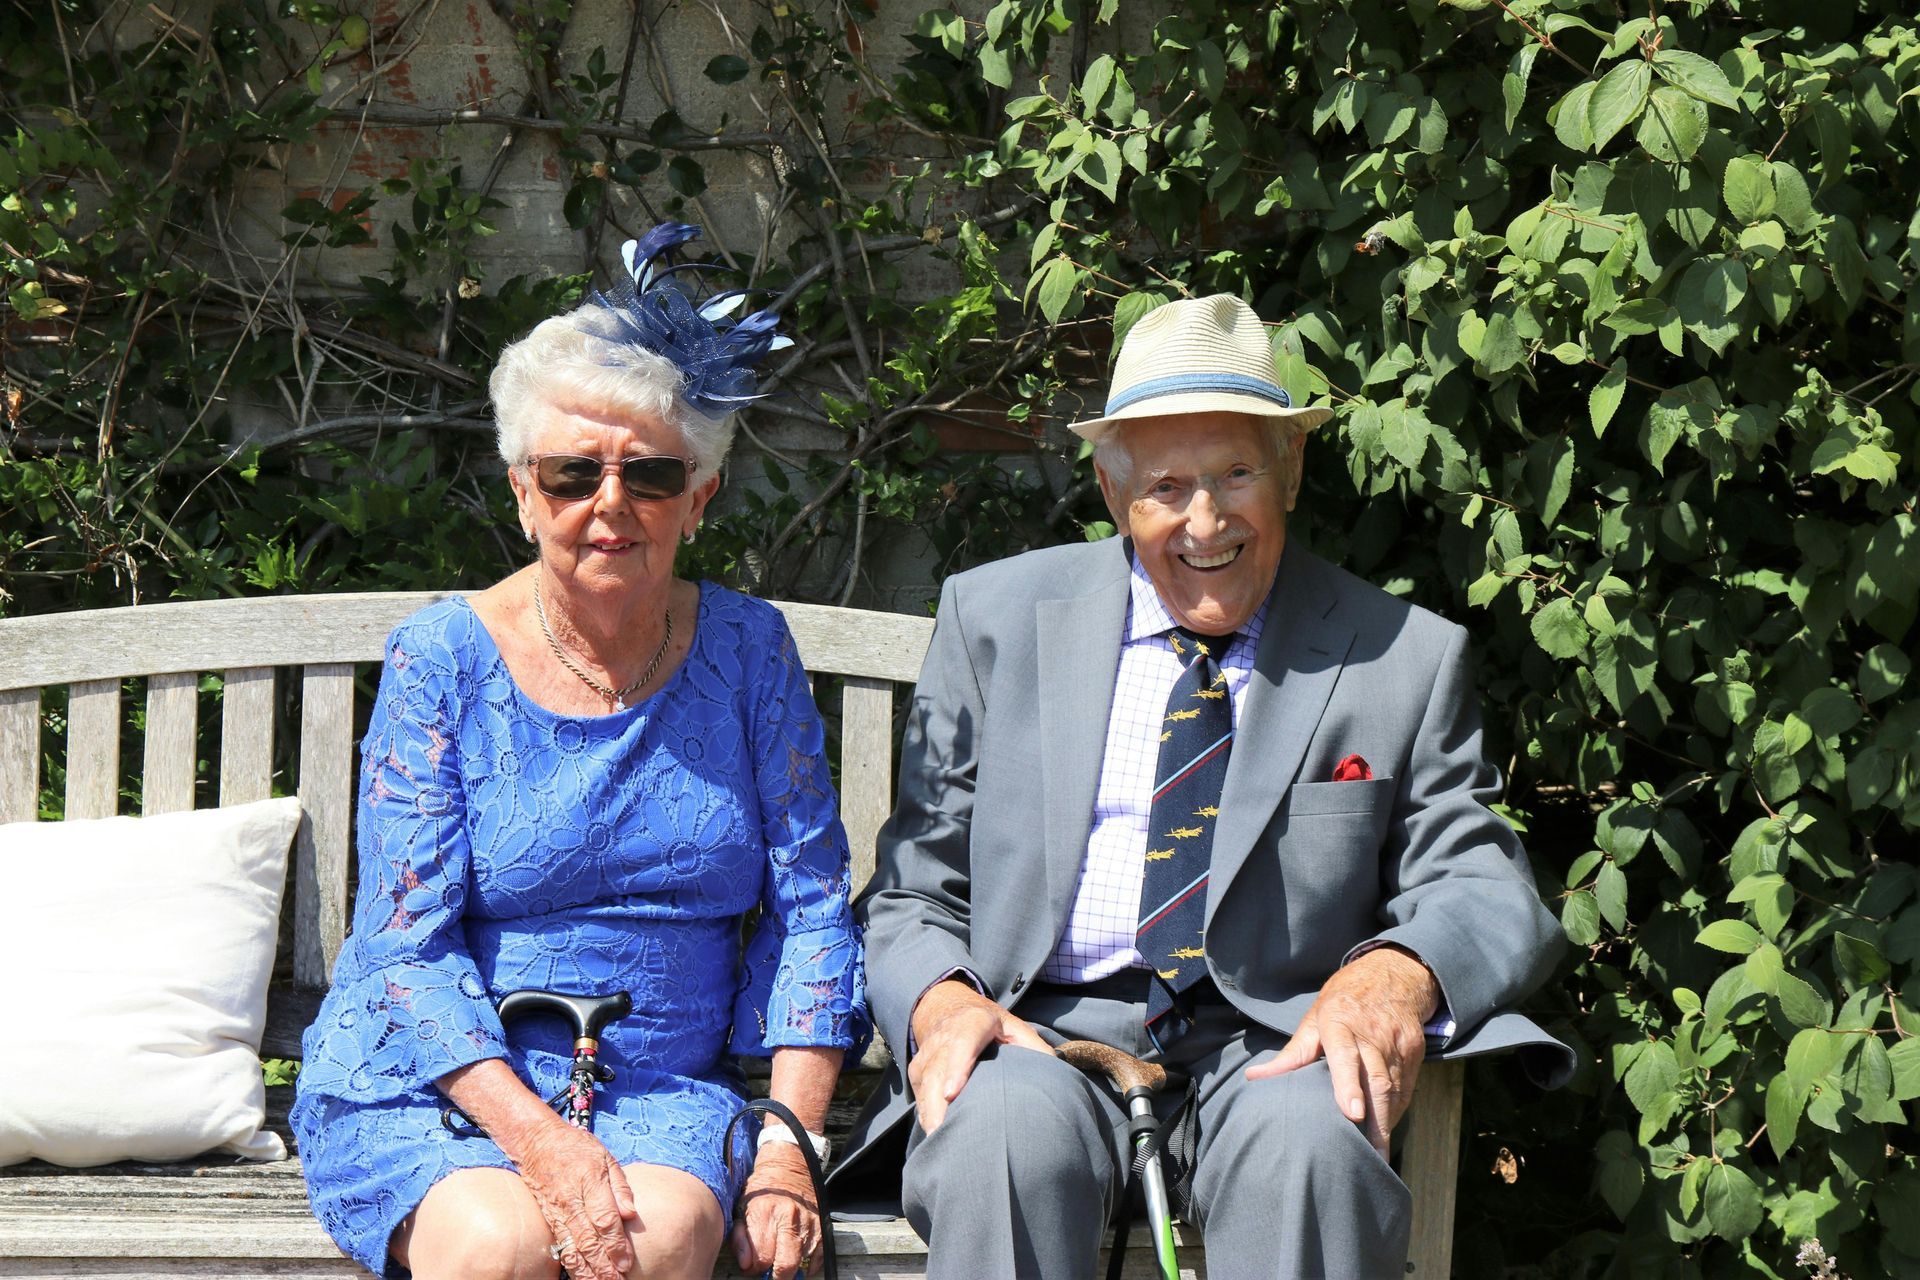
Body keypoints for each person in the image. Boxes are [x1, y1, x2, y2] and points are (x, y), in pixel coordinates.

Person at [837, 294, 1573, 1278]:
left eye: (1236, 473)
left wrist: (1389, 977)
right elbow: (914, 885)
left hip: (1276, 1042)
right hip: (1046, 1032)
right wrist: (940, 1001)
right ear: (1112, 490)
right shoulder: (998, 619)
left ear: (1292, 469)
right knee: (998, 1133)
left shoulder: (1398, 655)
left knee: (1313, 1145)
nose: (1206, 520)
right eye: (1168, 486)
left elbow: (1478, 882)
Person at [292, 225, 865, 1280]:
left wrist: (788, 1140)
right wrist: (541, 1140)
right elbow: (404, 948)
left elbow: (812, 907)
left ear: (698, 497)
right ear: (522, 490)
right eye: (571, 472)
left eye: (649, 474)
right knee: (499, 1243)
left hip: (657, 1087)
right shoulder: (441, 660)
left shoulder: (748, 650)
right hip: (447, 1080)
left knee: (666, 1237)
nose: (610, 503)